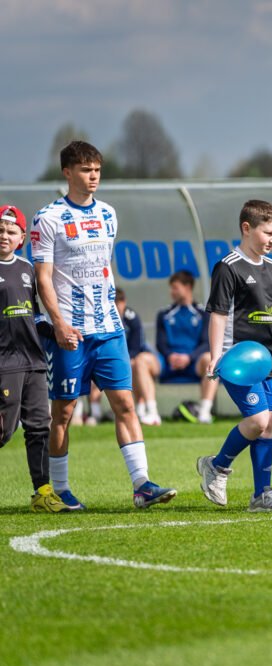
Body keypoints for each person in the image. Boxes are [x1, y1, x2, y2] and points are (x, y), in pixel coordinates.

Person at [31, 140, 175, 510]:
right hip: (70, 332)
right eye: (85, 170)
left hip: (109, 328)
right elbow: (43, 278)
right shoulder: (48, 218)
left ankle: (142, 485)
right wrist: (59, 324)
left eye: (97, 170)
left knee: (125, 403)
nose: (93, 176)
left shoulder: (109, 213)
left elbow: (104, 267)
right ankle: (60, 488)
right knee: (64, 412)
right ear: (67, 172)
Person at [196, 200, 272, 512]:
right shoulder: (228, 267)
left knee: (268, 426)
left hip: (267, 360)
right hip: (237, 361)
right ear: (247, 228)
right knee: (257, 420)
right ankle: (217, 466)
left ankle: (262, 495)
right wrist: (215, 355)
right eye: (268, 233)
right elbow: (218, 314)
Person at [0, 204, 68, 512]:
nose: (4, 235)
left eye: (11, 231)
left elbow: (35, 316)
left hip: (34, 362)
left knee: (40, 426)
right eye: (0, 230)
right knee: (5, 430)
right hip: (5, 363)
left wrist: (58, 332)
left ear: (21, 238)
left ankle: (42, 492)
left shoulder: (27, 269)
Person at [152, 270, 216, 424]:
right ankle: (150, 413)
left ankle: (204, 412)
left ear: (187, 287)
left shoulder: (203, 313)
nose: (171, 292)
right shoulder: (164, 314)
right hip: (168, 363)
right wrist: (170, 356)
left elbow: (206, 343)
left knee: (211, 360)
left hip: (194, 363)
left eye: (175, 288)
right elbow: (160, 343)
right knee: (142, 361)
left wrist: (189, 357)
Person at [114, 288, 162, 426]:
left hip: (144, 358)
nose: (116, 307)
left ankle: (152, 412)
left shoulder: (132, 317)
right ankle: (95, 413)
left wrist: (125, 360)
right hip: (124, 360)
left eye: (118, 303)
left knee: (137, 363)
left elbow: (137, 347)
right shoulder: (105, 319)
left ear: (124, 302)